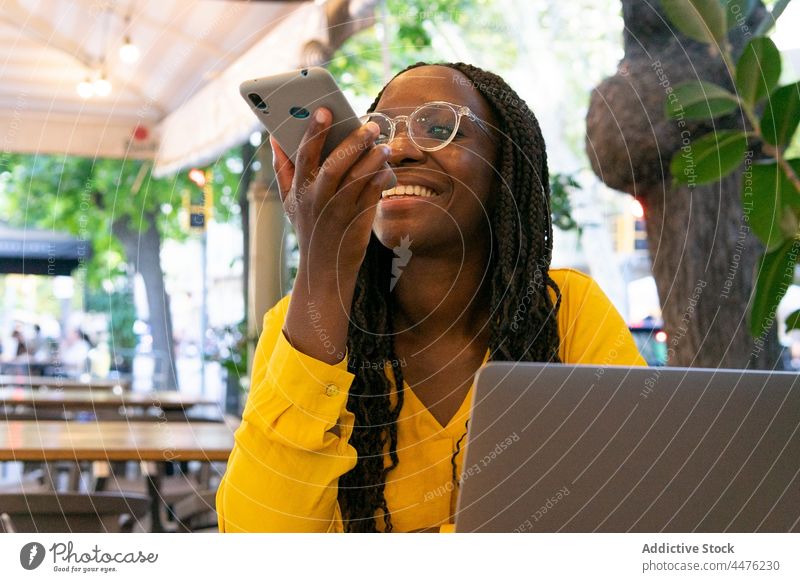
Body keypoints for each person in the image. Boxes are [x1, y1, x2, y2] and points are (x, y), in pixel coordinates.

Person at [217, 62, 645, 533]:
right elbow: (257, 540)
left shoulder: (567, 312)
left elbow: (631, 510)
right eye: (378, 134)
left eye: (440, 128)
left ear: (505, 164)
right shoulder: (298, 325)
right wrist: (324, 265)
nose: (397, 150)